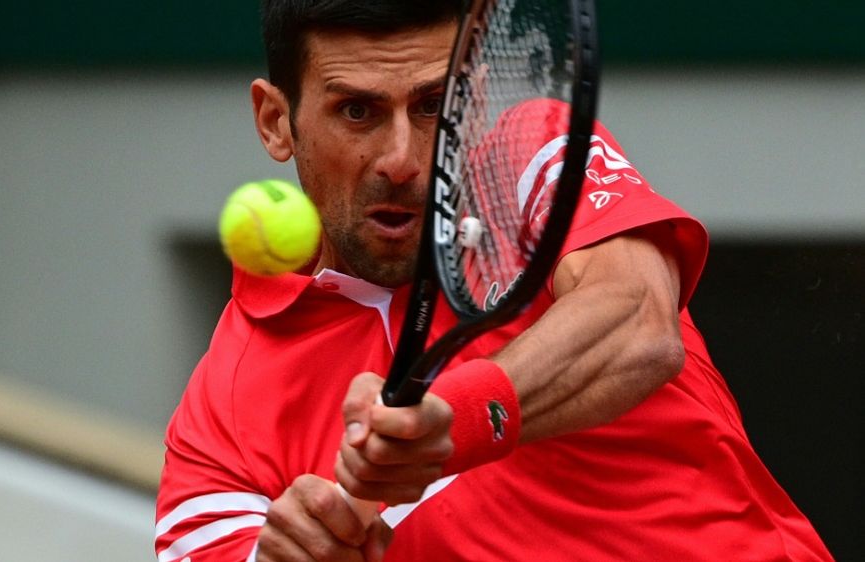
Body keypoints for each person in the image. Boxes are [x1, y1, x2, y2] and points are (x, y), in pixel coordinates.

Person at [155, 1, 834, 560]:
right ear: (276, 122)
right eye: (357, 111)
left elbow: (638, 322)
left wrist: (455, 421)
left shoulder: (531, 155)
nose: (401, 159)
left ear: (473, 101)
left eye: (432, 106)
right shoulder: (220, 415)